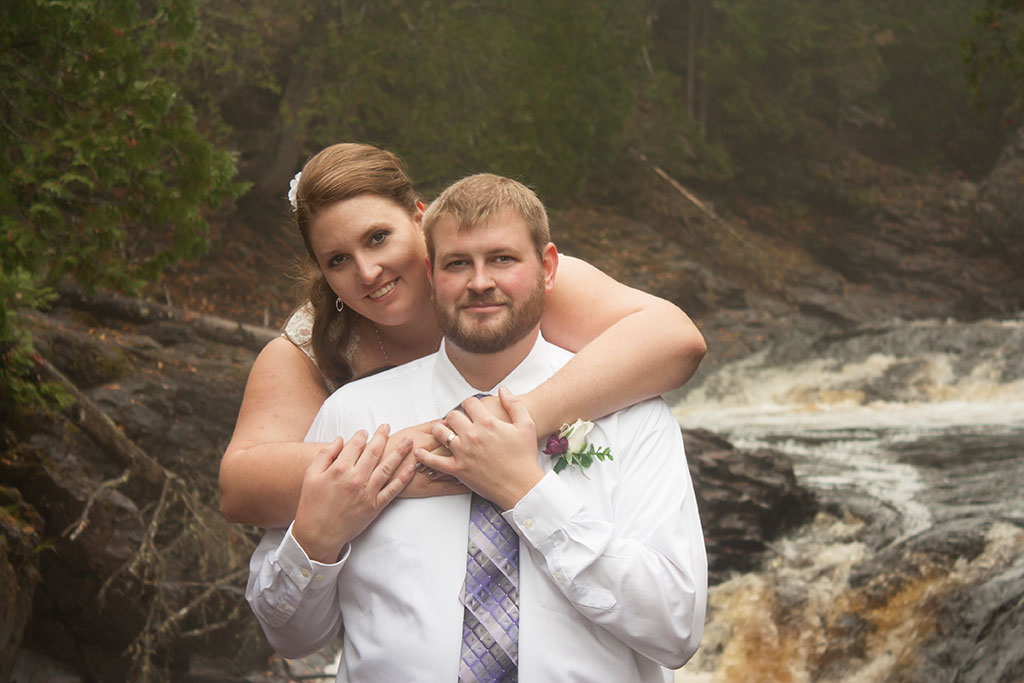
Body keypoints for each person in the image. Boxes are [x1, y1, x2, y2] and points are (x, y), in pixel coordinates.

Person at [245, 173, 707, 681]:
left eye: (503, 259)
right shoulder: (351, 416)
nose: (480, 281)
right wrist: (315, 541)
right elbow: (290, 638)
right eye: (458, 263)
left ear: (548, 268)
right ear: (430, 272)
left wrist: (526, 493)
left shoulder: (631, 413)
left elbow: (676, 630)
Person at [218, 142, 707, 528]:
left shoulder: (502, 282)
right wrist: (401, 461)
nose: (367, 272)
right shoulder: (308, 345)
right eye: (338, 260)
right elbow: (240, 488)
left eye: (377, 237)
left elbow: (675, 339)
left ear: (419, 217)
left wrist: (504, 426)